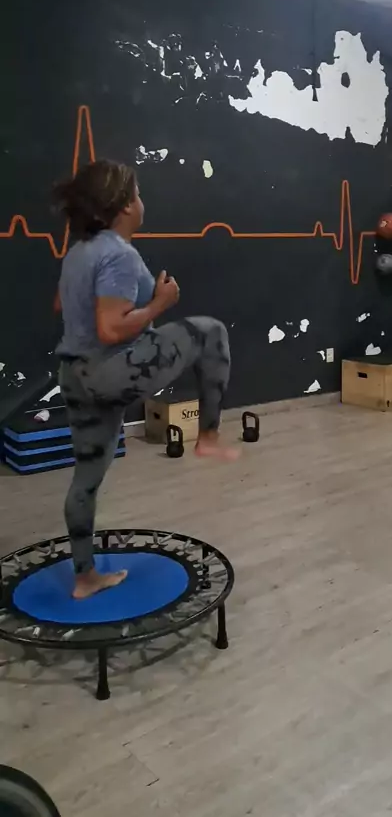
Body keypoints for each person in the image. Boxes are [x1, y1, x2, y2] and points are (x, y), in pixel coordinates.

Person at [53, 159, 237, 600]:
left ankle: (84, 577)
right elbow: (110, 329)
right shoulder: (119, 253)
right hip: (111, 370)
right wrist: (160, 303)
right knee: (211, 332)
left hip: (75, 375)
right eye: (137, 194)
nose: (142, 201)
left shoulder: (79, 252)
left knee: (86, 478)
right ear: (123, 206)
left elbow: (62, 306)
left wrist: (135, 301)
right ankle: (208, 436)